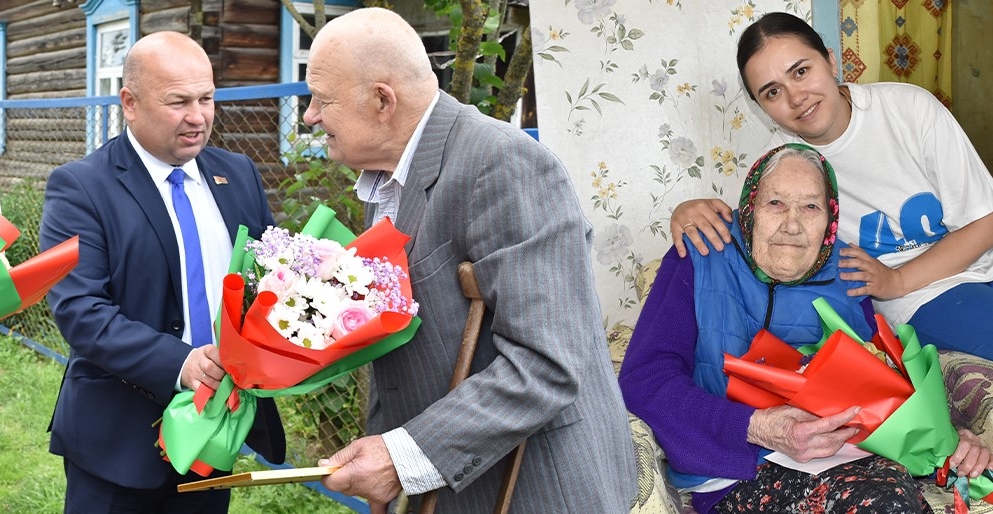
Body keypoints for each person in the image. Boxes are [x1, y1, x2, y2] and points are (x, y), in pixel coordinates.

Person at [301, 8, 636, 513]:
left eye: (321, 100)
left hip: (536, 490)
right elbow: (396, 345)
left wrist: (399, 458)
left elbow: (547, 363)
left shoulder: (502, 164)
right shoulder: (386, 179)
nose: (309, 115)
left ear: (381, 101)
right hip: (457, 490)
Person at [623, 143, 992, 513]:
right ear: (750, 209)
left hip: (848, 458)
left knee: (889, 498)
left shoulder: (848, 269)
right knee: (882, 502)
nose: (793, 224)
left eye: (811, 206)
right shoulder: (702, 253)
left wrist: (947, 438)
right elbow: (644, 380)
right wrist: (756, 426)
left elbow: (887, 385)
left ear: (830, 220)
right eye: (776, 203)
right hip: (736, 470)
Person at [38, 31, 285, 513]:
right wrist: (181, 363)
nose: (198, 117)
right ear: (130, 103)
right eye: (178, 102)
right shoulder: (81, 188)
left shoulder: (237, 172)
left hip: (215, 433)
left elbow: (272, 280)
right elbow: (81, 311)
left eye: (207, 98)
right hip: (116, 444)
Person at [671, 12, 993, 360]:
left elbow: (985, 219)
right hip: (919, 298)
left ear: (831, 60)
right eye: (773, 92)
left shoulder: (909, 109)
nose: (796, 98)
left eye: (801, 71)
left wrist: (898, 279)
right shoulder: (778, 167)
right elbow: (743, 239)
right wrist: (686, 210)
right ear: (762, 108)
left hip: (980, 266)